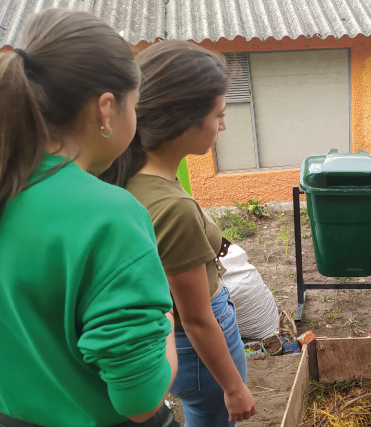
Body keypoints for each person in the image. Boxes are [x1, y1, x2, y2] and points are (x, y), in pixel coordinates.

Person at [0, 9, 178, 427]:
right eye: (134, 105)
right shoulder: (110, 215)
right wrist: (166, 322)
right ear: (105, 109)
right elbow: (139, 400)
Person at [100, 41, 256, 426]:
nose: (223, 124)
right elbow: (198, 317)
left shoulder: (127, 177)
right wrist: (234, 388)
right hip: (196, 343)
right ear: (185, 121)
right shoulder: (171, 207)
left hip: (176, 342)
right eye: (218, 114)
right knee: (212, 417)